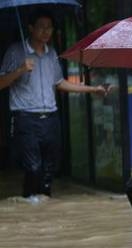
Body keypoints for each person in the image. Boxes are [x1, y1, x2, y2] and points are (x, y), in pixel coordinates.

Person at [0, 8, 107, 200]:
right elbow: (1, 83)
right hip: (25, 117)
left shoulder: (51, 54)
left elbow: (60, 83)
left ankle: (43, 208)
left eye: (49, 27)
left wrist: (93, 89)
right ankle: (30, 202)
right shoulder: (16, 51)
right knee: (33, 167)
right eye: (41, 27)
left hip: (50, 118)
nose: (46, 31)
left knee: (50, 170)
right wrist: (20, 69)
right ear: (30, 28)